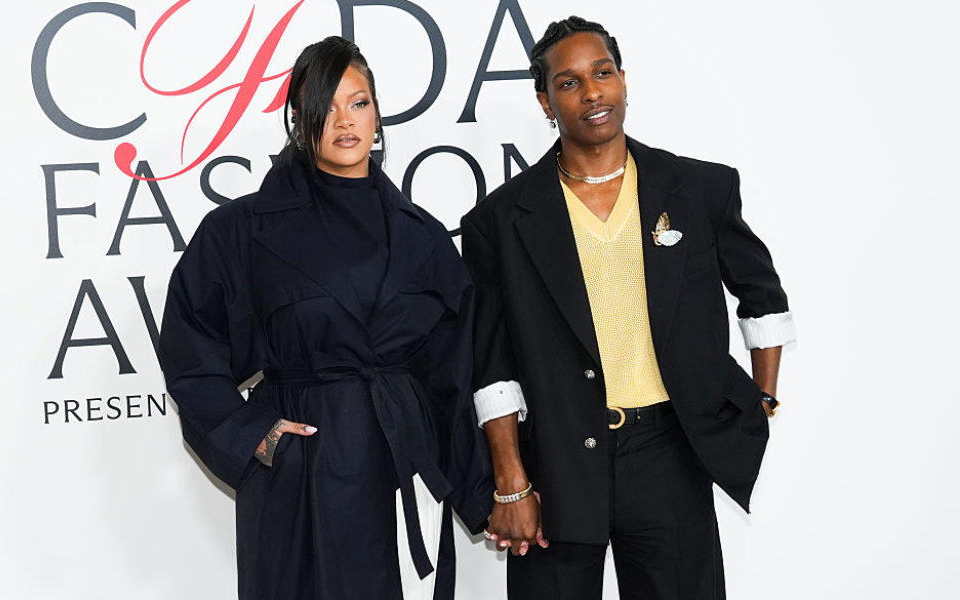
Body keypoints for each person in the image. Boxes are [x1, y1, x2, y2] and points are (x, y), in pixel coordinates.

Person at [461, 16, 796, 600]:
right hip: (558, 463)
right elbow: (492, 364)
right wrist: (512, 483)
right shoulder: (501, 220)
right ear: (545, 100)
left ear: (623, 81)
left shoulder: (697, 189)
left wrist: (762, 397)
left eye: (603, 73)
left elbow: (762, 295)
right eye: (569, 83)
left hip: (668, 457)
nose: (592, 92)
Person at [158, 36, 493, 600]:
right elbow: (191, 345)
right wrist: (254, 438)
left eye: (358, 103)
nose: (344, 121)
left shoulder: (422, 236)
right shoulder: (244, 230)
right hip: (304, 477)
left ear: (378, 114)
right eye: (325, 106)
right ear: (298, 119)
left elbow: (456, 376)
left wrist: (488, 494)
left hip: (401, 471)